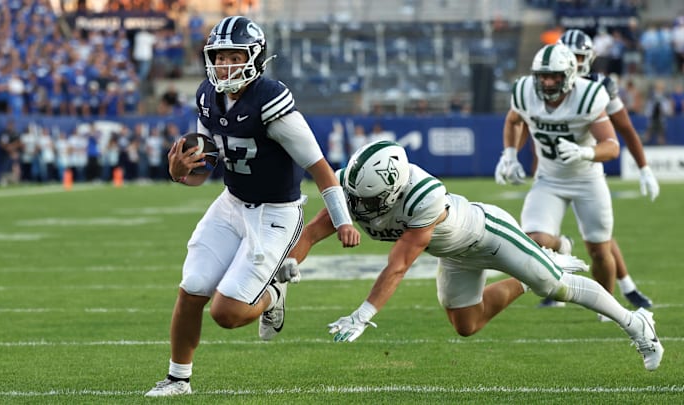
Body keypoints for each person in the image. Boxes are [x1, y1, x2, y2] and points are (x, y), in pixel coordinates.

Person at [281, 140, 663, 372]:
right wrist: (290, 265)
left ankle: (637, 325)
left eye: (367, 199)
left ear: (394, 188)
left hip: (487, 235)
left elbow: (398, 265)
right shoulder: (352, 185)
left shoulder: (423, 196)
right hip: (454, 254)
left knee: (556, 285)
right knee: (467, 326)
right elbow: (313, 232)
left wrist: (363, 315)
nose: (359, 205)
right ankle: (537, 266)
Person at [145, 16, 361, 397]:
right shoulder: (207, 97)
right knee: (192, 288)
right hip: (230, 203)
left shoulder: (272, 102)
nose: (225, 66)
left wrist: (343, 221)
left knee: (226, 314)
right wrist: (178, 171)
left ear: (255, 59)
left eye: (234, 56)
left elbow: (322, 170)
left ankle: (274, 295)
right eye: (219, 57)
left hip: (276, 213)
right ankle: (178, 380)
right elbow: (206, 164)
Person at [518, 29, 658, 310]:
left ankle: (625, 288)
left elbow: (624, 129)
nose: (574, 60)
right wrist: (515, 157)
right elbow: (529, 124)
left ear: (589, 58)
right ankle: (560, 284)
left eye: (579, 56)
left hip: (586, 169)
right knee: (539, 236)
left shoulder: (599, 87)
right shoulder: (540, 87)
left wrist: (644, 168)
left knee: (599, 242)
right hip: (552, 173)